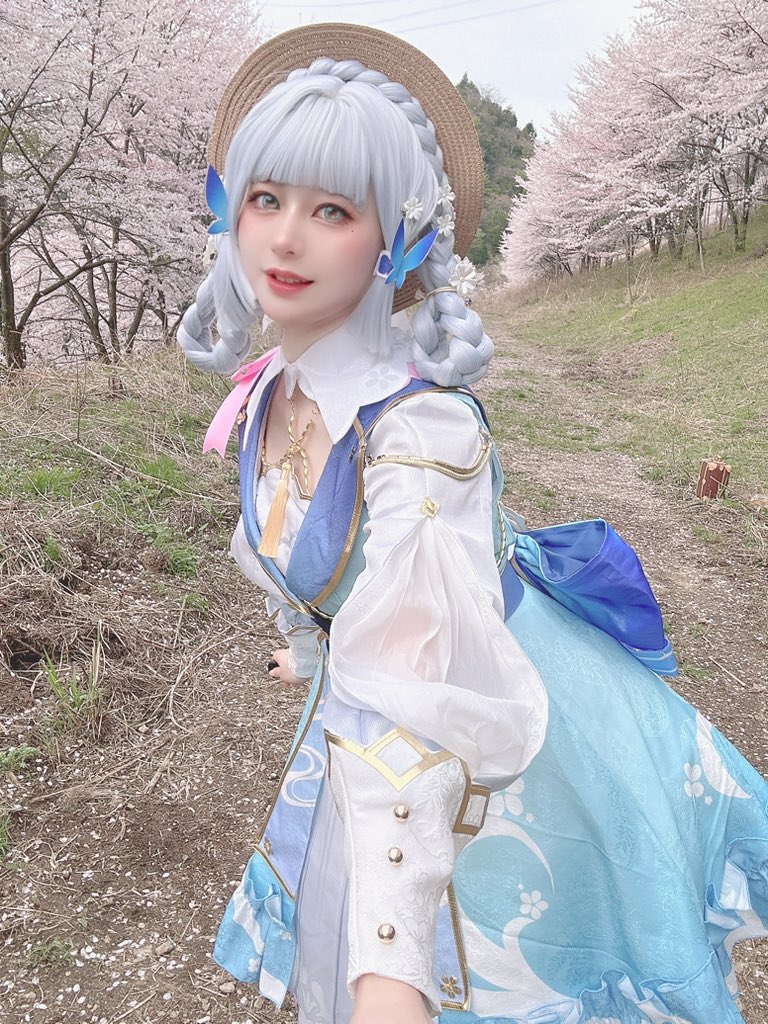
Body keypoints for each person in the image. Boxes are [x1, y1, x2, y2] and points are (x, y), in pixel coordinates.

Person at [177, 25, 768, 1024]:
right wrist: (311, 650)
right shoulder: (274, 387)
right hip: (377, 690)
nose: (285, 238)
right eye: (266, 199)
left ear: (397, 241)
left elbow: (414, 719)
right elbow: (298, 557)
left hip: (488, 713)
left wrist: (390, 972)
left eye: (332, 210)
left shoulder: (421, 433)